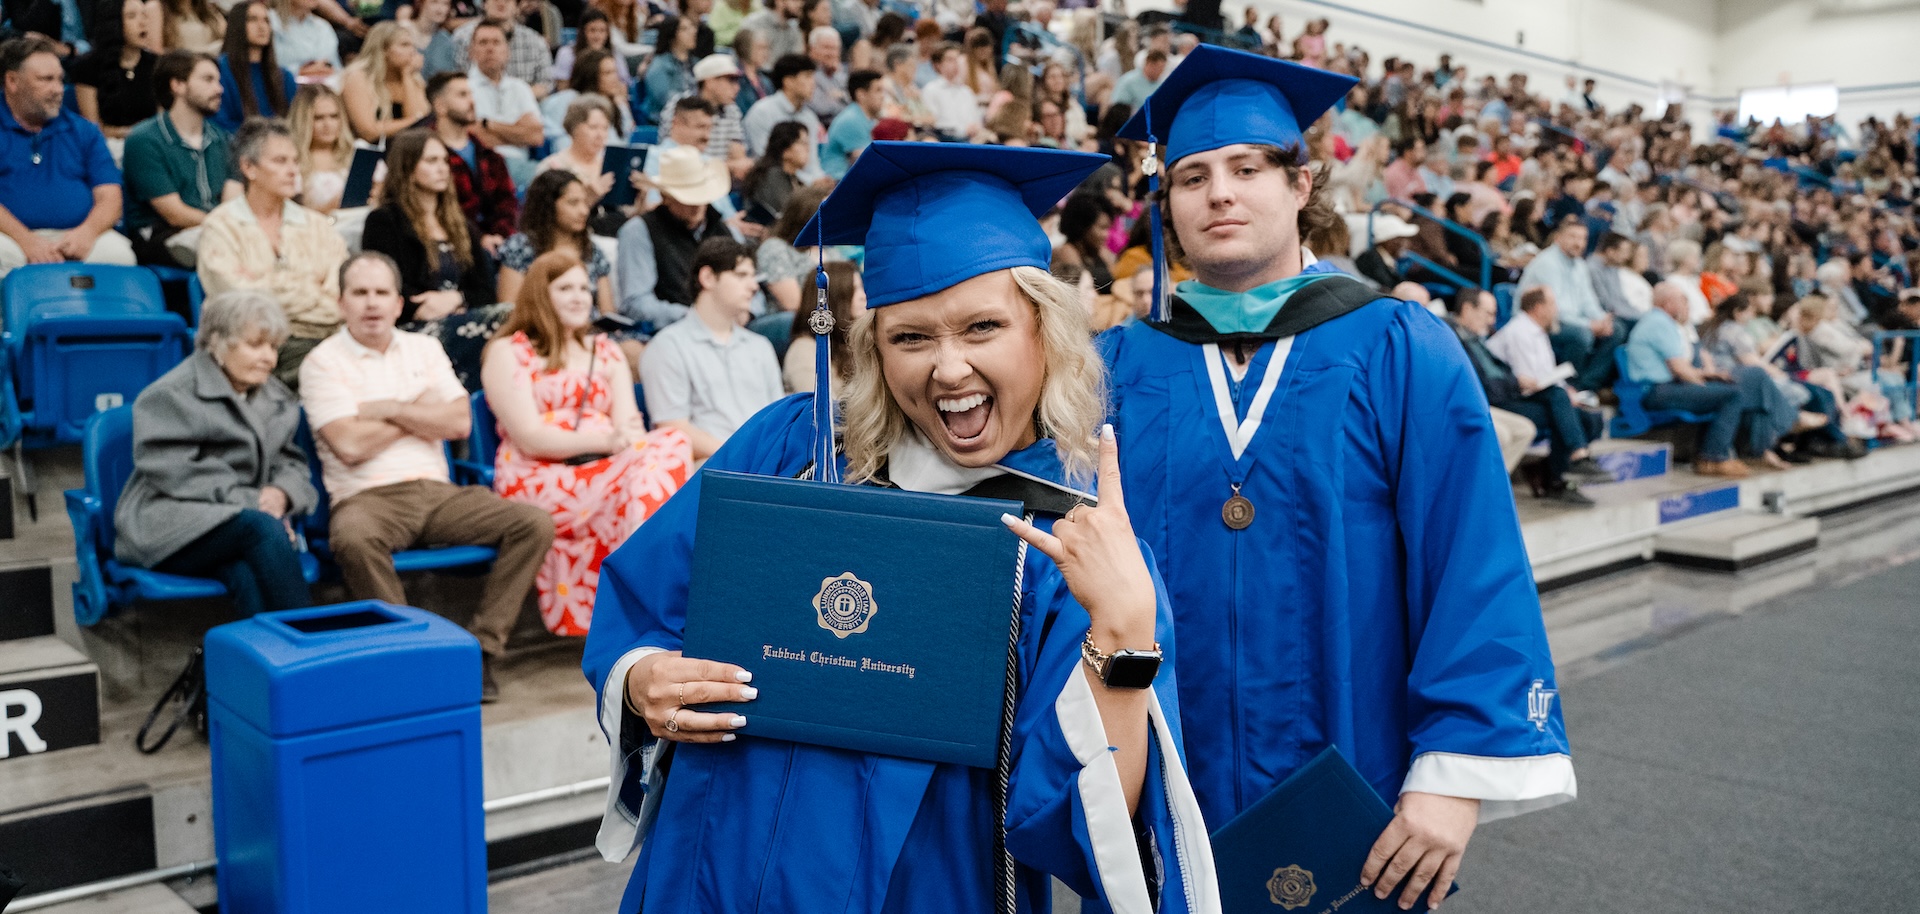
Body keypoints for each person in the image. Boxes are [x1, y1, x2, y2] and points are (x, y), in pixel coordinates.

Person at [583, 142, 1214, 912]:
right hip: (710, 869)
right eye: (911, 337)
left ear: (1044, 334)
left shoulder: (1068, 546)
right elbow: (642, 606)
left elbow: (1077, 831)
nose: (947, 370)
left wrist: (1123, 632)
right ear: (875, 350)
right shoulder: (793, 450)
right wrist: (643, 677)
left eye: (982, 328)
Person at [1106, 46, 1574, 911]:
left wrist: (1454, 775)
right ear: (1165, 203)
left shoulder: (1397, 345)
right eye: (1192, 176)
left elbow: (1471, 560)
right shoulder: (1121, 369)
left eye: (1247, 168)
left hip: (1358, 781)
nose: (1220, 193)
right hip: (1162, 782)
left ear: (1301, 184)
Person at [301, 252, 554, 702]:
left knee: (533, 522)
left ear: (399, 303)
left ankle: (480, 653)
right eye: (360, 293)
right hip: (366, 498)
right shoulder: (321, 361)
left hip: (438, 493)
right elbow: (350, 446)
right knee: (353, 539)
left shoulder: (423, 348)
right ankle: (408, 660)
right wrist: (419, 411)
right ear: (341, 303)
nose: (372, 304)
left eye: (382, 293)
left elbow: (459, 422)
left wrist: (391, 408)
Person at [480, 251, 692, 635]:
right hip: (539, 477)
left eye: (585, 288)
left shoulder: (605, 351)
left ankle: (646, 587)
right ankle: (651, 600)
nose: (580, 297)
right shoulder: (509, 351)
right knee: (664, 461)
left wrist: (623, 441)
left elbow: (630, 424)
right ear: (539, 294)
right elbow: (528, 437)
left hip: (603, 471)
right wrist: (609, 440)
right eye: (565, 288)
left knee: (671, 443)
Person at [113, 289, 316, 618]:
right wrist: (254, 501)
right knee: (262, 528)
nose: (268, 357)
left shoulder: (275, 396)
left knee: (245, 575)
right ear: (218, 342)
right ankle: (311, 642)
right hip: (169, 524)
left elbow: (290, 461)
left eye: (273, 347)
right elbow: (172, 469)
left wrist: (281, 494)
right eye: (255, 344)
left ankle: (262, 666)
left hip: (237, 527)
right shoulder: (171, 394)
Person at [197, 117, 348, 387]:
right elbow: (236, 306)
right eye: (280, 161)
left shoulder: (317, 227)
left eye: (294, 161)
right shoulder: (221, 226)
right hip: (247, 351)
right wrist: (308, 288)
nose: (293, 171)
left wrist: (264, 286)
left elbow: (339, 303)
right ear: (248, 168)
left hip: (321, 341)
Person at [360, 128, 501, 389]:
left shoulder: (460, 224)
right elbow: (387, 286)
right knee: (505, 319)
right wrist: (424, 307)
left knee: (509, 317)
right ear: (408, 167)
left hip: (463, 316)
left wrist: (456, 298)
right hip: (414, 328)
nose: (442, 169)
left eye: (444, 161)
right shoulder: (384, 221)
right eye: (431, 161)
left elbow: (486, 290)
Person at [0, 37, 137, 278]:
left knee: (120, 256)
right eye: (46, 80)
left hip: (76, 236)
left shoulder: (84, 131)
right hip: (11, 238)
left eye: (61, 80)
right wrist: (27, 240)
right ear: (12, 81)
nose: (58, 89)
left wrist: (87, 232)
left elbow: (110, 197)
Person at [639, 237, 781, 460]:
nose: (754, 286)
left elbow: (777, 421)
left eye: (753, 276)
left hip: (764, 468)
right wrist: (740, 457)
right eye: (741, 275)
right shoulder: (668, 346)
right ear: (707, 277)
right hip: (706, 471)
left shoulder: (760, 347)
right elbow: (673, 428)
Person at [1479, 287, 1606, 502]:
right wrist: (1562, 394)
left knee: (1590, 420)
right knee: (1561, 408)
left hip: (1532, 395)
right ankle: (1564, 473)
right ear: (1539, 308)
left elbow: (1546, 375)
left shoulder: (1538, 331)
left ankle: (1548, 471)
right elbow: (1529, 382)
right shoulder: (1519, 331)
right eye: (1553, 305)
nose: (1556, 310)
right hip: (1507, 399)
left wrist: (1567, 391)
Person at [1624, 282, 1749, 478]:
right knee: (1731, 395)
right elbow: (1679, 368)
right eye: (1683, 301)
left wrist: (1708, 377)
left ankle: (1709, 454)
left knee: (1722, 389)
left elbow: (1679, 366)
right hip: (1656, 391)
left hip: (1662, 387)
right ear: (1668, 303)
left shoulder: (1658, 321)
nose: (1686, 306)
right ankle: (1713, 458)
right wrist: (1703, 383)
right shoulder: (1659, 323)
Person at [123, 50, 235, 268]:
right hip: (163, 233)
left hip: (214, 229)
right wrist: (227, 227)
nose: (219, 89)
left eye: (219, 81)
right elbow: (174, 214)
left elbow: (232, 200)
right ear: (178, 85)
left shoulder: (222, 139)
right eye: (208, 80)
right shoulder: (145, 139)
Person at [614, 144, 739, 329]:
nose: (697, 204)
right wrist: (693, 316)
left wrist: (747, 311)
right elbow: (637, 302)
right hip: (674, 329)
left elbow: (750, 278)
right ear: (666, 197)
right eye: (688, 198)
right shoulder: (639, 231)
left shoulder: (722, 228)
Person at [1519, 216, 1623, 391]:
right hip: (1540, 321)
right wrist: (1590, 325)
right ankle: (1570, 385)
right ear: (1559, 237)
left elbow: (1588, 301)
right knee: (1581, 335)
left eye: (1583, 238)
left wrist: (1602, 320)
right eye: (1573, 237)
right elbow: (1554, 310)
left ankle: (1588, 384)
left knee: (1617, 329)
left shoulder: (1580, 265)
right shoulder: (1547, 263)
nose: (1579, 243)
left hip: (1568, 320)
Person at [422, 71, 521, 256]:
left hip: (498, 243)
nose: (472, 101)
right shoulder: (423, 155)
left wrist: (500, 235)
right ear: (440, 106)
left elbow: (507, 201)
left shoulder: (489, 155)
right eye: (462, 95)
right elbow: (436, 210)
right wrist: (479, 239)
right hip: (450, 245)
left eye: (471, 94)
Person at [498, 169, 614, 309]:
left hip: (589, 328)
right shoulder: (519, 247)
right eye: (573, 203)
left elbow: (607, 312)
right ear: (548, 206)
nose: (584, 211)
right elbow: (508, 310)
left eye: (585, 202)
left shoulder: (591, 250)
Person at [466, 18, 545, 183]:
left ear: (507, 51)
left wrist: (489, 125)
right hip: (481, 164)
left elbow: (535, 136)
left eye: (496, 42)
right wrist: (517, 131)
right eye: (483, 42)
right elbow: (474, 137)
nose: (490, 48)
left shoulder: (520, 88)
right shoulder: (464, 88)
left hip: (522, 165)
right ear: (471, 51)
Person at [70, 0, 157, 143]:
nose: (143, 23)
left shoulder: (156, 64)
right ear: (113, 22)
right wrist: (128, 132)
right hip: (107, 146)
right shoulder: (88, 67)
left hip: (150, 145)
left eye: (144, 15)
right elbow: (92, 127)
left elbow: (164, 121)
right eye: (132, 16)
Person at [342, 20, 430, 143]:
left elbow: (419, 130)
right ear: (383, 50)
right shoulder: (358, 77)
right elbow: (368, 132)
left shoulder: (413, 77)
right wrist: (415, 120)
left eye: (413, 46)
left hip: (403, 150)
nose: (412, 52)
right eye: (404, 45)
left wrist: (407, 76)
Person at [212, 0, 294, 134]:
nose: (261, 26)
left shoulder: (284, 76)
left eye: (266, 21)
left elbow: (295, 122)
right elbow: (218, 124)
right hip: (238, 148)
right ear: (237, 25)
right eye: (252, 19)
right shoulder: (220, 71)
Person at [741, 52, 825, 181]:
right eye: (807, 77)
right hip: (770, 184)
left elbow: (812, 163)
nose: (813, 83)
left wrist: (821, 181)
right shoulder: (762, 112)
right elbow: (766, 162)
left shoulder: (810, 117)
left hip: (805, 187)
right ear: (788, 81)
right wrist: (809, 183)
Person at [781, 257, 859, 393]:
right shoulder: (804, 350)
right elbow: (821, 408)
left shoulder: (860, 344)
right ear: (834, 298)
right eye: (854, 289)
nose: (864, 296)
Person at [452, 0, 554, 97]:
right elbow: (455, 79)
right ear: (484, 4)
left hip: (524, 102)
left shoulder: (535, 41)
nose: (501, 3)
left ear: (517, 7)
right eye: (495, 0)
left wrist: (516, 97)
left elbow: (546, 84)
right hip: (474, 101)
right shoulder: (462, 37)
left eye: (507, 0)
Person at [541, 48, 634, 147]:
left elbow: (628, 141)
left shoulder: (619, 106)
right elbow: (560, 142)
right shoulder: (567, 101)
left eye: (615, 72)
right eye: (608, 73)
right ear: (591, 76)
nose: (615, 78)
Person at [288, 84, 351, 213]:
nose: (328, 125)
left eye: (334, 116)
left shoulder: (358, 152)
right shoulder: (291, 162)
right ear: (303, 121)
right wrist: (331, 207)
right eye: (318, 118)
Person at [639, 13, 697, 125]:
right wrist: (694, 104)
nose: (693, 32)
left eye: (692, 27)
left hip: (692, 118)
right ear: (672, 34)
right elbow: (664, 98)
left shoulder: (695, 63)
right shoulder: (659, 65)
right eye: (685, 29)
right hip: (663, 120)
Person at [742, 119, 805, 222]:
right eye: (803, 143)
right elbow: (788, 214)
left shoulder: (795, 179)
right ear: (786, 150)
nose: (808, 148)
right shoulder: (771, 175)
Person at [820, 67, 878, 179]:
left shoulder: (865, 117)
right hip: (837, 182)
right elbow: (869, 162)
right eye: (878, 90)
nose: (882, 96)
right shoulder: (851, 120)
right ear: (861, 94)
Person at [269, 0, 339, 80]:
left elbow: (336, 68)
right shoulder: (269, 22)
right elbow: (269, 66)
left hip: (325, 86)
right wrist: (301, 71)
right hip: (285, 86)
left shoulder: (323, 27)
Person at [158, 0, 226, 54]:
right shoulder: (160, 12)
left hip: (211, 65)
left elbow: (228, 40)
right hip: (183, 67)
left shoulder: (211, 14)